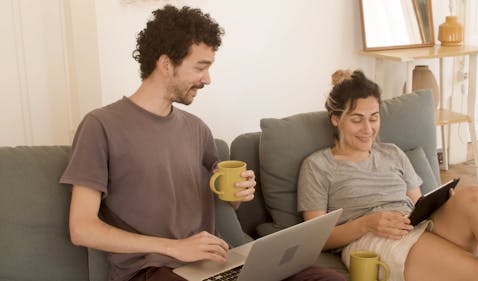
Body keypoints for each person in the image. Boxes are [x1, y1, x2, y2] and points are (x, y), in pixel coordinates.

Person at [61, 5, 344, 281]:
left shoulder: (197, 129)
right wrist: (173, 247)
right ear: (166, 64)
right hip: (151, 270)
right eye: (200, 67)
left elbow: (223, 202)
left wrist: (236, 193)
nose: (207, 79)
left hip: (216, 265)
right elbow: (82, 228)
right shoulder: (100, 126)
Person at [297, 69, 478, 281]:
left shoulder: (392, 152)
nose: (368, 129)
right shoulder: (317, 166)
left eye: (374, 118)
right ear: (336, 119)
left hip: (413, 225)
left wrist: (442, 203)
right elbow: (316, 239)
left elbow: (418, 204)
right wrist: (367, 223)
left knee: (475, 196)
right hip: (372, 239)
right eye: (357, 120)